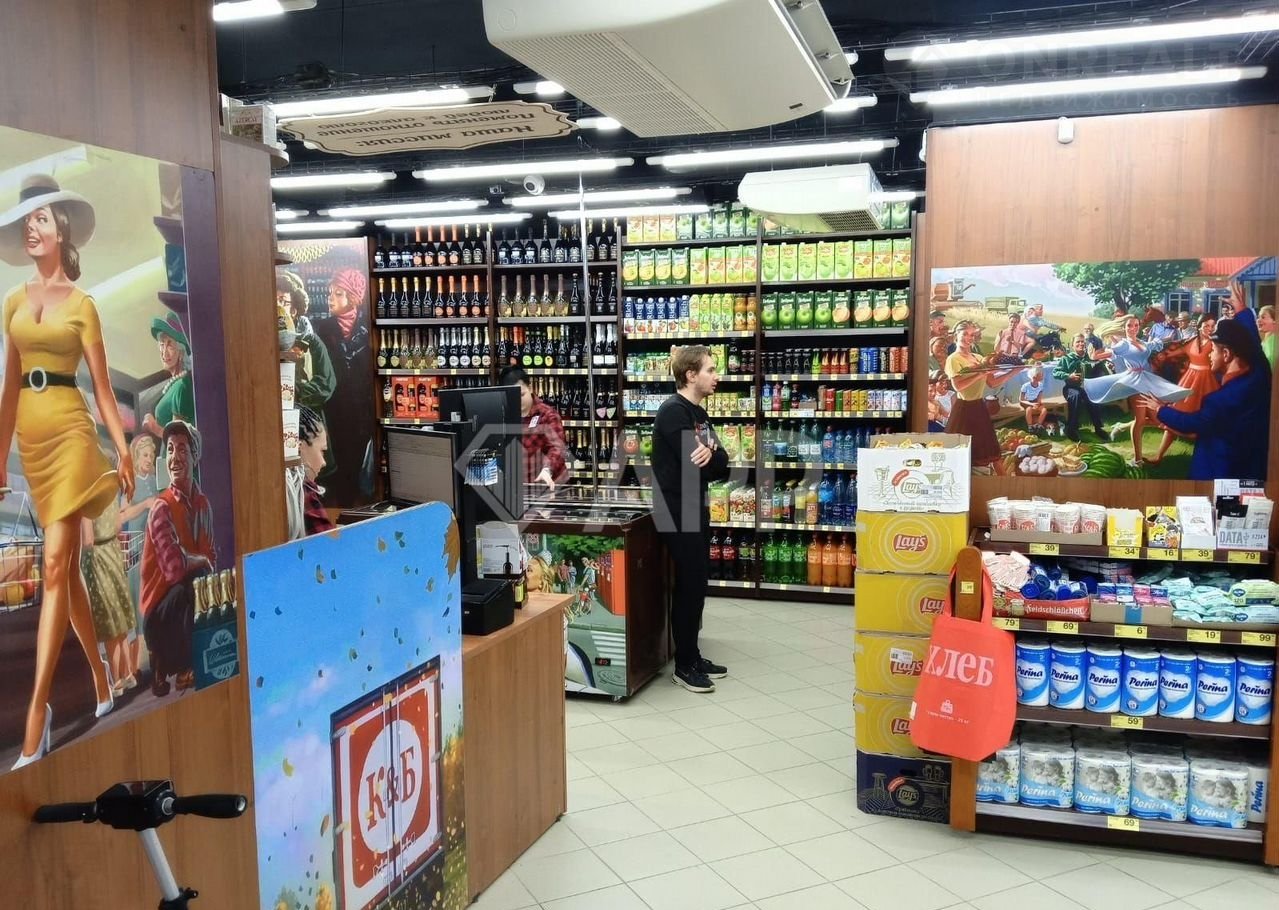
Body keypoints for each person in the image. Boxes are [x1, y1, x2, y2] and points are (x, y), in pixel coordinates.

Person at [0, 175, 134, 768]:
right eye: (26, 220)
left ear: (62, 230)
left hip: (74, 435)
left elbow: (102, 388)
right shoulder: (11, 301)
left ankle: (37, 717)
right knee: (67, 570)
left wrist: (122, 449)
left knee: (55, 562)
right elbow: (8, 389)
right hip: (33, 443)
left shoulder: (82, 306)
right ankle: (101, 675)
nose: (31, 228)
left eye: (41, 218)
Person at [651, 345, 730, 693]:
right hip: (676, 509)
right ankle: (684, 665)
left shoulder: (698, 414)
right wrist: (709, 456)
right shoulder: (673, 412)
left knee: (697, 584)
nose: (716, 376)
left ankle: (693, 655)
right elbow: (694, 462)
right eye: (710, 370)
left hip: (695, 506)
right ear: (690, 375)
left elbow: (722, 463)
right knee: (689, 584)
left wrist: (711, 454)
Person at [1140, 319, 1271, 481]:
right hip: (1253, 467)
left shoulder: (1220, 400)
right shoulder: (1259, 375)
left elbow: (1192, 423)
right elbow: (1255, 350)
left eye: (1213, 350)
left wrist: (1160, 408)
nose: (1209, 354)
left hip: (1221, 472)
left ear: (1226, 354)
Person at [140, 420, 215, 697]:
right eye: (170, 449)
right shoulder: (161, 508)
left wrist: (202, 562)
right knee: (189, 585)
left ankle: (201, 654)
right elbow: (174, 569)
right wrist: (200, 561)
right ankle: (181, 667)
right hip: (159, 612)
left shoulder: (202, 504)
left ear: (195, 456)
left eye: (182, 449)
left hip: (187, 595)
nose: (174, 457)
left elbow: (210, 555)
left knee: (205, 581)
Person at [1083, 315, 1191, 466]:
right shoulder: (1123, 344)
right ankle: (1138, 459)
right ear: (1124, 328)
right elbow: (1105, 354)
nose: (1133, 328)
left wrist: (1169, 340)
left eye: (1136, 325)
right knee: (1140, 420)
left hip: (1147, 380)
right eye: (1129, 326)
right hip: (1135, 382)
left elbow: (1153, 345)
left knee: (1156, 420)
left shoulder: (1141, 342)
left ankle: (1121, 427)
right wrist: (1095, 353)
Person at [314, 267, 374, 505]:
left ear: (354, 296)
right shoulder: (321, 329)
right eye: (330, 293)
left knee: (359, 468)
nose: (330, 298)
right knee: (336, 470)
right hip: (333, 412)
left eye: (338, 293)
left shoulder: (369, 327)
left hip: (362, 414)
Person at [80, 451, 137, 698]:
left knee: (108, 623)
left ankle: (117, 682)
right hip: (114, 552)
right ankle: (128, 674)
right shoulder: (112, 492)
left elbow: (88, 541)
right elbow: (117, 525)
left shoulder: (87, 499)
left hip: (98, 558)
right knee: (121, 619)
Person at [943, 322, 1018, 472]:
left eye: (972, 335)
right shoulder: (953, 359)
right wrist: (980, 374)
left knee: (992, 451)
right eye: (965, 334)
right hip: (964, 410)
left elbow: (992, 382)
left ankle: (1003, 483)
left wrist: (1013, 372)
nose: (969, 338)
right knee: (959, 454)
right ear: (956, 335)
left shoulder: (978, 358)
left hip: (979, 407)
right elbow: (958, 386)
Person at [1148, 314, 1220, 464]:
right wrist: (1161, 356)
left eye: (1213, 326)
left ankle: (1207, 459)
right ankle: (1158, 456)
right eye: (1207, 325)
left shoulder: (1216, 343)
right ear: (1199, 326)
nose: (1210, 328)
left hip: (1207, 383)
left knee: (1207, 421)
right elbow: (1176, 352)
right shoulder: (1191, 341)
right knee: (1175, 415)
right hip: (1188, 381)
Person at [499, 365, 568, 490]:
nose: (518, 400)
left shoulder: (547, 415)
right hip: (519, 488)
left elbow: (557, 448)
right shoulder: (502, 416)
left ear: (530, 388)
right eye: (512, 397)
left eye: (521, 395)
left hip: (548, 487)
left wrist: (547, 470)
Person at [278, 271, 335, 413]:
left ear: (294, 310)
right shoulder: (262, 341)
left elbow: (326, 383)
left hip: (306, 416)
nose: (277, 307)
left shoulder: (312, 341)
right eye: (273, 301)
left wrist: (295, 393)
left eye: (283, 301)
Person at [141, 312, 195, 439]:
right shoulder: (174, 385)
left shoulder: (182, 386)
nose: (164, 352)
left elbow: (180, 440)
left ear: (181, 352)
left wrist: (154, 427)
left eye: (170, 345)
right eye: (161, 344)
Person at [1053, 334, 1107, 441]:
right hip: (1071, 387)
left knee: (1093, 397)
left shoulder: (1090, 356)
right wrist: (1068, 376)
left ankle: (1098, 428)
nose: (1081, 344)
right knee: (1075, 396)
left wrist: (1103, 365)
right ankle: (1071, 428)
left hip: (1087, 387)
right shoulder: (1066, 358)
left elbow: (1100, 369)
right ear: (1072, 345)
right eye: (1078, 342)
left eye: (1082, 342)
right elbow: (1055, 372)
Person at [297, 405, 336, 536]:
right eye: (322, 451)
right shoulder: (303, 493)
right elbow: (327, 545)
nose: (324, 462)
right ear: (300, 447)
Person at [1019, 365, 1048, 432]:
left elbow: (1039, 396)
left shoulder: (1040, 385)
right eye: (1040, 375)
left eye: (1042, 374)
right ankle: (1030, 426)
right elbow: (1021, 399)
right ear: (1034, 377)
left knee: (1044, 410)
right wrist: (1032, 404)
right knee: (1029, 409)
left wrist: (1038, 403)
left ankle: (1038, 424)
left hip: (1035, 401)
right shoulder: (1025, 386)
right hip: (1026, 402)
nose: (1042, 376)